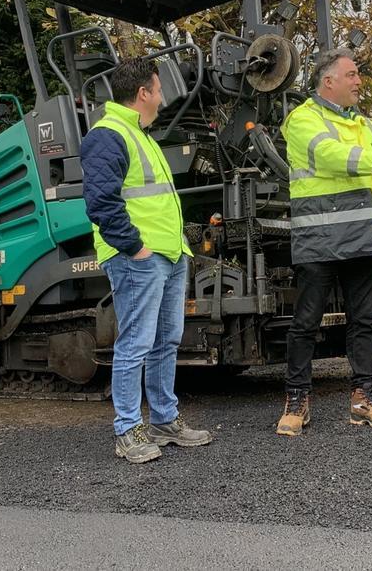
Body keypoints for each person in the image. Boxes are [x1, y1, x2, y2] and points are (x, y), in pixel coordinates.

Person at [276, 48, 372, 436]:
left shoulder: (368, 125)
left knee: (363, 320)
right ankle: (297, 400)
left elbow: (371, 176)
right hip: (319, 239)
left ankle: (364, 399)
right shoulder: (302, 119)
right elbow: (330, 157)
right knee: (306, 322)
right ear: (328, 81)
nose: (360, 81)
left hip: (363, 237)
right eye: (353, 75)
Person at [79, 57, 213, 463]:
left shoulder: (138, 134)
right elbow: (101, 203)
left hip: (168, 255)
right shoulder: (108, 135)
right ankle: (127, 429)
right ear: (143, 93)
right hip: (139, 257)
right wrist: (135, 247)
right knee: (135, 343)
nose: (161, 98)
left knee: (165, 340)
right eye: (158, 90)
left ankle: (163, 420)